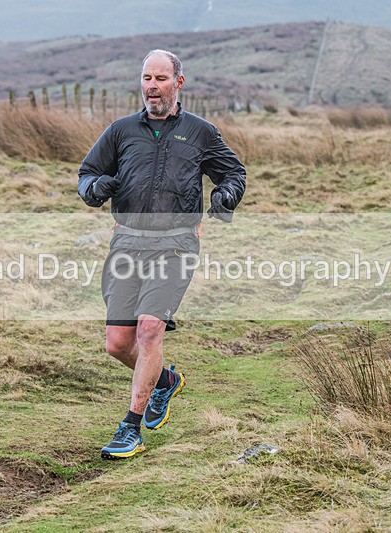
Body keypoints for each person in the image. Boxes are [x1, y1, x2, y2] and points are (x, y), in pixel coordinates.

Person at [78, 49, 246, 459]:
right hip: (128, 241)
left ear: (178, 83)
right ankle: (165, 381)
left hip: (176, 243)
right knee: (118, 343)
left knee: (149, 329)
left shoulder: (201, 132)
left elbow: (233, 173)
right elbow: (87, 174)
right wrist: (96, 189)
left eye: (160, 79)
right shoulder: (120, 131)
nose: (152, 87)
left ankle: (130, 428)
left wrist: (224, 196)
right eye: (146, 79)